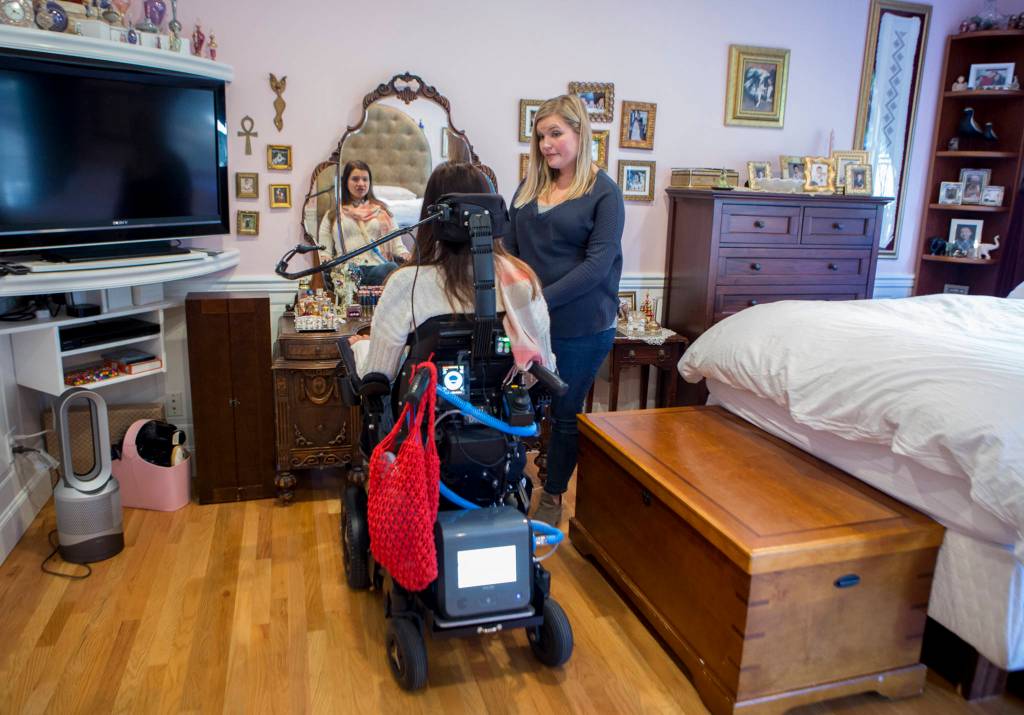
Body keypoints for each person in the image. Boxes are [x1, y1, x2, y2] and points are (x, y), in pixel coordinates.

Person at [505, 94, 625, 526]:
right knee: (510, 401)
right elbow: (509, 247)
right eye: (540, 136)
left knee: (564, 411)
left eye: (556, 133)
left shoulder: (603, 193)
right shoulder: (528, 187)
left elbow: (597, 267)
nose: (546, 144)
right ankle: (508, 484)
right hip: (525, 322)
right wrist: (516, 302)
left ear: (580, 133)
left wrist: (538, 301)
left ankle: (553, 494)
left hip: (581, 325)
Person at [350, 162, 554, 386]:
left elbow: (378, 374)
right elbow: (542, 370)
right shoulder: (522, 279)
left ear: (432, 214)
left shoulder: (408, 283)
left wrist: (360, 347)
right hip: (504, 417)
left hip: (427, 414)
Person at [319, 160, 409, 287]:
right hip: (347, 270)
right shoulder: (333, 214)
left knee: (391, 267)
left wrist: (405, 254)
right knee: (347, 272)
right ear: (345, 182)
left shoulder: (382, 211)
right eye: (355, 179)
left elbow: (397, 245)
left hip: (378, 268)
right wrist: (324, 257)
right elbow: (324, 250)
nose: (361, 184)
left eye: (365, 179)